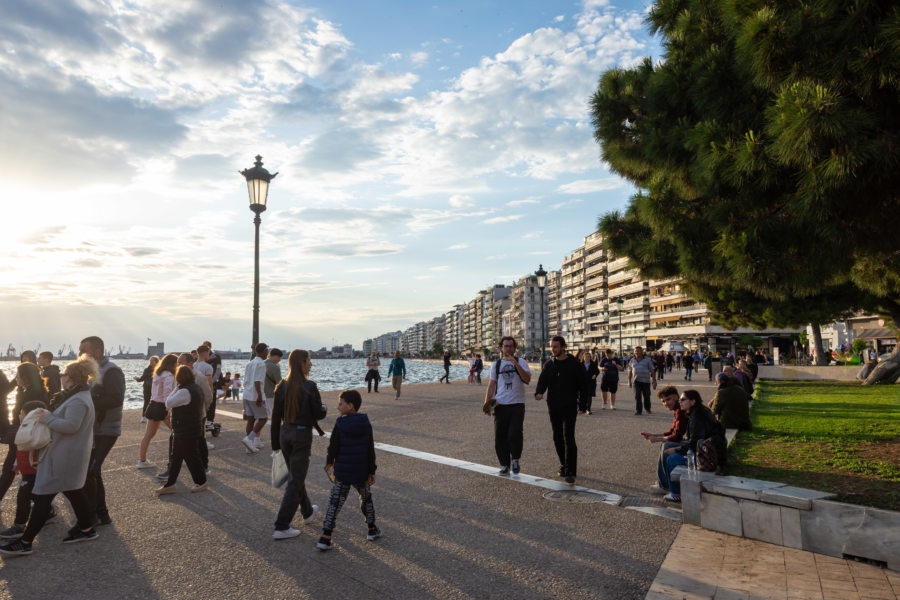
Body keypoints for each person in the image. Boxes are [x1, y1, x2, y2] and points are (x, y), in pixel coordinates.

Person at [0, 356, 100, 556]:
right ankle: (86, 529)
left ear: (70, 378)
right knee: (73, 490)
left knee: (42, 496)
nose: (61, 376)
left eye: (63, 374)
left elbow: (71, 426)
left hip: (64, 455)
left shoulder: (78, 400)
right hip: (67, 453)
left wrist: (48, 418)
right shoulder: (77, 395)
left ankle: (26, 542)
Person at [271, 349, 326, 539]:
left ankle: (308, 512)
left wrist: (275, 445)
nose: (310, 363)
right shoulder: (309, 386)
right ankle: (282, 525)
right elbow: (319, 413)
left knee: (296, 476)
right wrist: (324, 407)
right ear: (302, 363)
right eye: (309, 360)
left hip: (285, 434)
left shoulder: (282, 386)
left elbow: (275, 417)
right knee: (296, 480)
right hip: (301, 436)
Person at [317, 389, 380, 551]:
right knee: (366, 498)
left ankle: (326, 536)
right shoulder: (365, 423)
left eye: (340, 404)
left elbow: (333, 447)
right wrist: (371, 470)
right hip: (361, 470)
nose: (338, 407)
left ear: (350, 406)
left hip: (343, 471)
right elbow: (369, 449)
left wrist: (330, 462)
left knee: (335, 502)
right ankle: (372, 529)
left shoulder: (340, 423)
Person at [78, 336, 125, 527]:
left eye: (83, 351)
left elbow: (116, 399)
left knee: (91, 470)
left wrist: (89, 403)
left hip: (107, 429)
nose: (80, 354)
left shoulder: (111, 370)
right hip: (94, 429)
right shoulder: (93, 372)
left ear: (97, 352)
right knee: (91, 472)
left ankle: (98, 514)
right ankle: (99, 514)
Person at [660, 390, 727, 503]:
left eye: (683, 400)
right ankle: (667, 485)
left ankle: (676, 493)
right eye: (680, 400)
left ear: (692, 401)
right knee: (668, 446)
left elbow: (695, 443)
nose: (679, 402)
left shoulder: (697, 417)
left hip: (708, 456)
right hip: (708, 449)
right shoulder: (697, 411)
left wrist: (676, 449)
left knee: (672, 458)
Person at [535, 336, 585, 484]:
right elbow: (542, 381)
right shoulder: (549, 364)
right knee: (557, 437)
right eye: (551, 347)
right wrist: (539, 392)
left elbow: (583, 386)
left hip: (569, 406)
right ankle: (563, 464)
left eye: (555, 347)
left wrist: (582, 405)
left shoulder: (575, 364)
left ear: (563, 347)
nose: (553, 349)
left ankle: (570, 470)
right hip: (553, 406)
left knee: (568, 437)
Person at [0, 400, 50, 540]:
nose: (18, 416)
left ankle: (19, 526)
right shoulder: (27, 428)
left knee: (23, 497)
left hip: (32, 470)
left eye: (21, 413)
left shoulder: (36, 430)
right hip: (28, 470)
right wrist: (17, 464)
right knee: (35, 496)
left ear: (30, 415)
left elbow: (29, 448)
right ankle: (49, 512)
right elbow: (20, 450)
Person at [155, 366, 208, 495]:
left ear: (178, 378)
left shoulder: (184, 391)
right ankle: (171, 484)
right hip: (190, 428)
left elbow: (168, 403)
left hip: (185, 430)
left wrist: (176, 387)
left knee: (190, 457)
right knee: (178, 457)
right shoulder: (195, 388)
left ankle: (201, 482)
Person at [482, 336, 531, 475]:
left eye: (511, 346)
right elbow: (491, 385)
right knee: (500, 437)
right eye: (506, 346)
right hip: (500, 405)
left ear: (514, 348)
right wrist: (487, 403)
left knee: (514, 434)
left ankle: (515, 459)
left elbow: (527, 379)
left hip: (517, 404)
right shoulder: (496, 365)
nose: (508, 349)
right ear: (501, 348)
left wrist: (515, 363)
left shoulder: (521, 362)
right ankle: (504, 464)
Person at [0, 362, 46, 505]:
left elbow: (30, 419)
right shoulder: (30, 391)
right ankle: (45, 506)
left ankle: (44, 507)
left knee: (11, 470)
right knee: (21, 472)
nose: (15, 378)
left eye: (17, 375)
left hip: (24, 438)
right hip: (23, 437)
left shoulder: (32, 394)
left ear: (25, 377)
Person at [639, 386, 687, 496]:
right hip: (699, 440)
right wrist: (654, 435)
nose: (666, 403)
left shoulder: (680, 409)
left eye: (668, 399)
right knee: (666, 444)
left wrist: (658, 439)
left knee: (667, 446)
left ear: (676, 396)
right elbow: (673, 430)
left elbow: (677, 436)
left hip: (700, 443)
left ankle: (664, 485)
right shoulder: (677, 409)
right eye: (663, 401)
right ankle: (663, 482)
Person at [137, 353, 176, 470]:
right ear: (172, 364)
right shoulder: (169, 375)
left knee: (148, 435)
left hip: (153, 404)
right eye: (176, 363)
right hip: (162, 406)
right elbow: (167, 394)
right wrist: (168, 410)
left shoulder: (158, 373)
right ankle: (180, 458)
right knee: (177, 432)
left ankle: (142, 460)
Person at [242, 343, 269, 453]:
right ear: (262, 352)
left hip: (246, 394)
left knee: (251, 419)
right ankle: (249, 439)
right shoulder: (261, 364)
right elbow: (258, 381)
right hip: (255, 395)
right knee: (263, 418)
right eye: (267, 351)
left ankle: (248, 446)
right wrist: (259, 395)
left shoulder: (250, 363)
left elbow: (246, 380)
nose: (267, 353)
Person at [194, 345, 216, 458]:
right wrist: (210, 397)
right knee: (203, 419)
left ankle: (195, 442)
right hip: (202, 395)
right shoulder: (207, 367)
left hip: (192, 394)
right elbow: (209, 383)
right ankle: (203, 442)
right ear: (206, 353)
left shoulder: (192, 365)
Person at [628, 346, 657, 415]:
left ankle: (647, 409)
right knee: (637, 396)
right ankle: (639, 410)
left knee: (646, 396)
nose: (636, 352)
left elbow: (652, 371)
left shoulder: (647, 360)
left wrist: (654, 380)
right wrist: (629, 381)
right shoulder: (632, 360)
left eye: (638, 351)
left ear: (642, 352)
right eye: (635, 351)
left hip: (646, 381)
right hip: (636, 381)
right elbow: (629, 371)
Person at [135, 356, 159, 424]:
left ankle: (156, 416)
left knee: (156, 402)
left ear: (156, 362)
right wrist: (138, 379)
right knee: (146, 402)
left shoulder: (159, 370)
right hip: (147, 388)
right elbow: (142, 378)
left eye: (153, 360)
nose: (151, 362)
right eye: (150, 360)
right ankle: (143, 417)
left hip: (156, 388)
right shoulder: (146, 370)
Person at [204, 340, 222, 424]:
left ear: (210, 347)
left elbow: (218, 371)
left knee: (212, 401)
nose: (204, 348)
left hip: (212, 382)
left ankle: (210, 420)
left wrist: (212, 381)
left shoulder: (216, 357)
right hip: (202, 382)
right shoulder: (201, 357)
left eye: (206, 346)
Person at [576, 350, 599, 414]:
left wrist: (595, 375)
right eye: (586, 357)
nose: (587, 358)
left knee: (589, 396)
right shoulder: (580, 364)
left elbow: (597, 371)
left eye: (588, 357)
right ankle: (581, 409)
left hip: (591, 382)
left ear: (590, 357)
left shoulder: (593, 364)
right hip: (582, 383)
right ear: (583, 357)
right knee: (581, 396)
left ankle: (588, 409)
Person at [264, 348, 284, 419]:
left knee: (262, 417)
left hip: (261, 395)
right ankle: (275, 430)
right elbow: (279, 383)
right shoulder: (275, 367)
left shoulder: (262, 364)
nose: (279, 360)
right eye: (279, 357)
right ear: (275, 356)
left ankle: (255, 430)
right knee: (275, 416)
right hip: (271, 395)